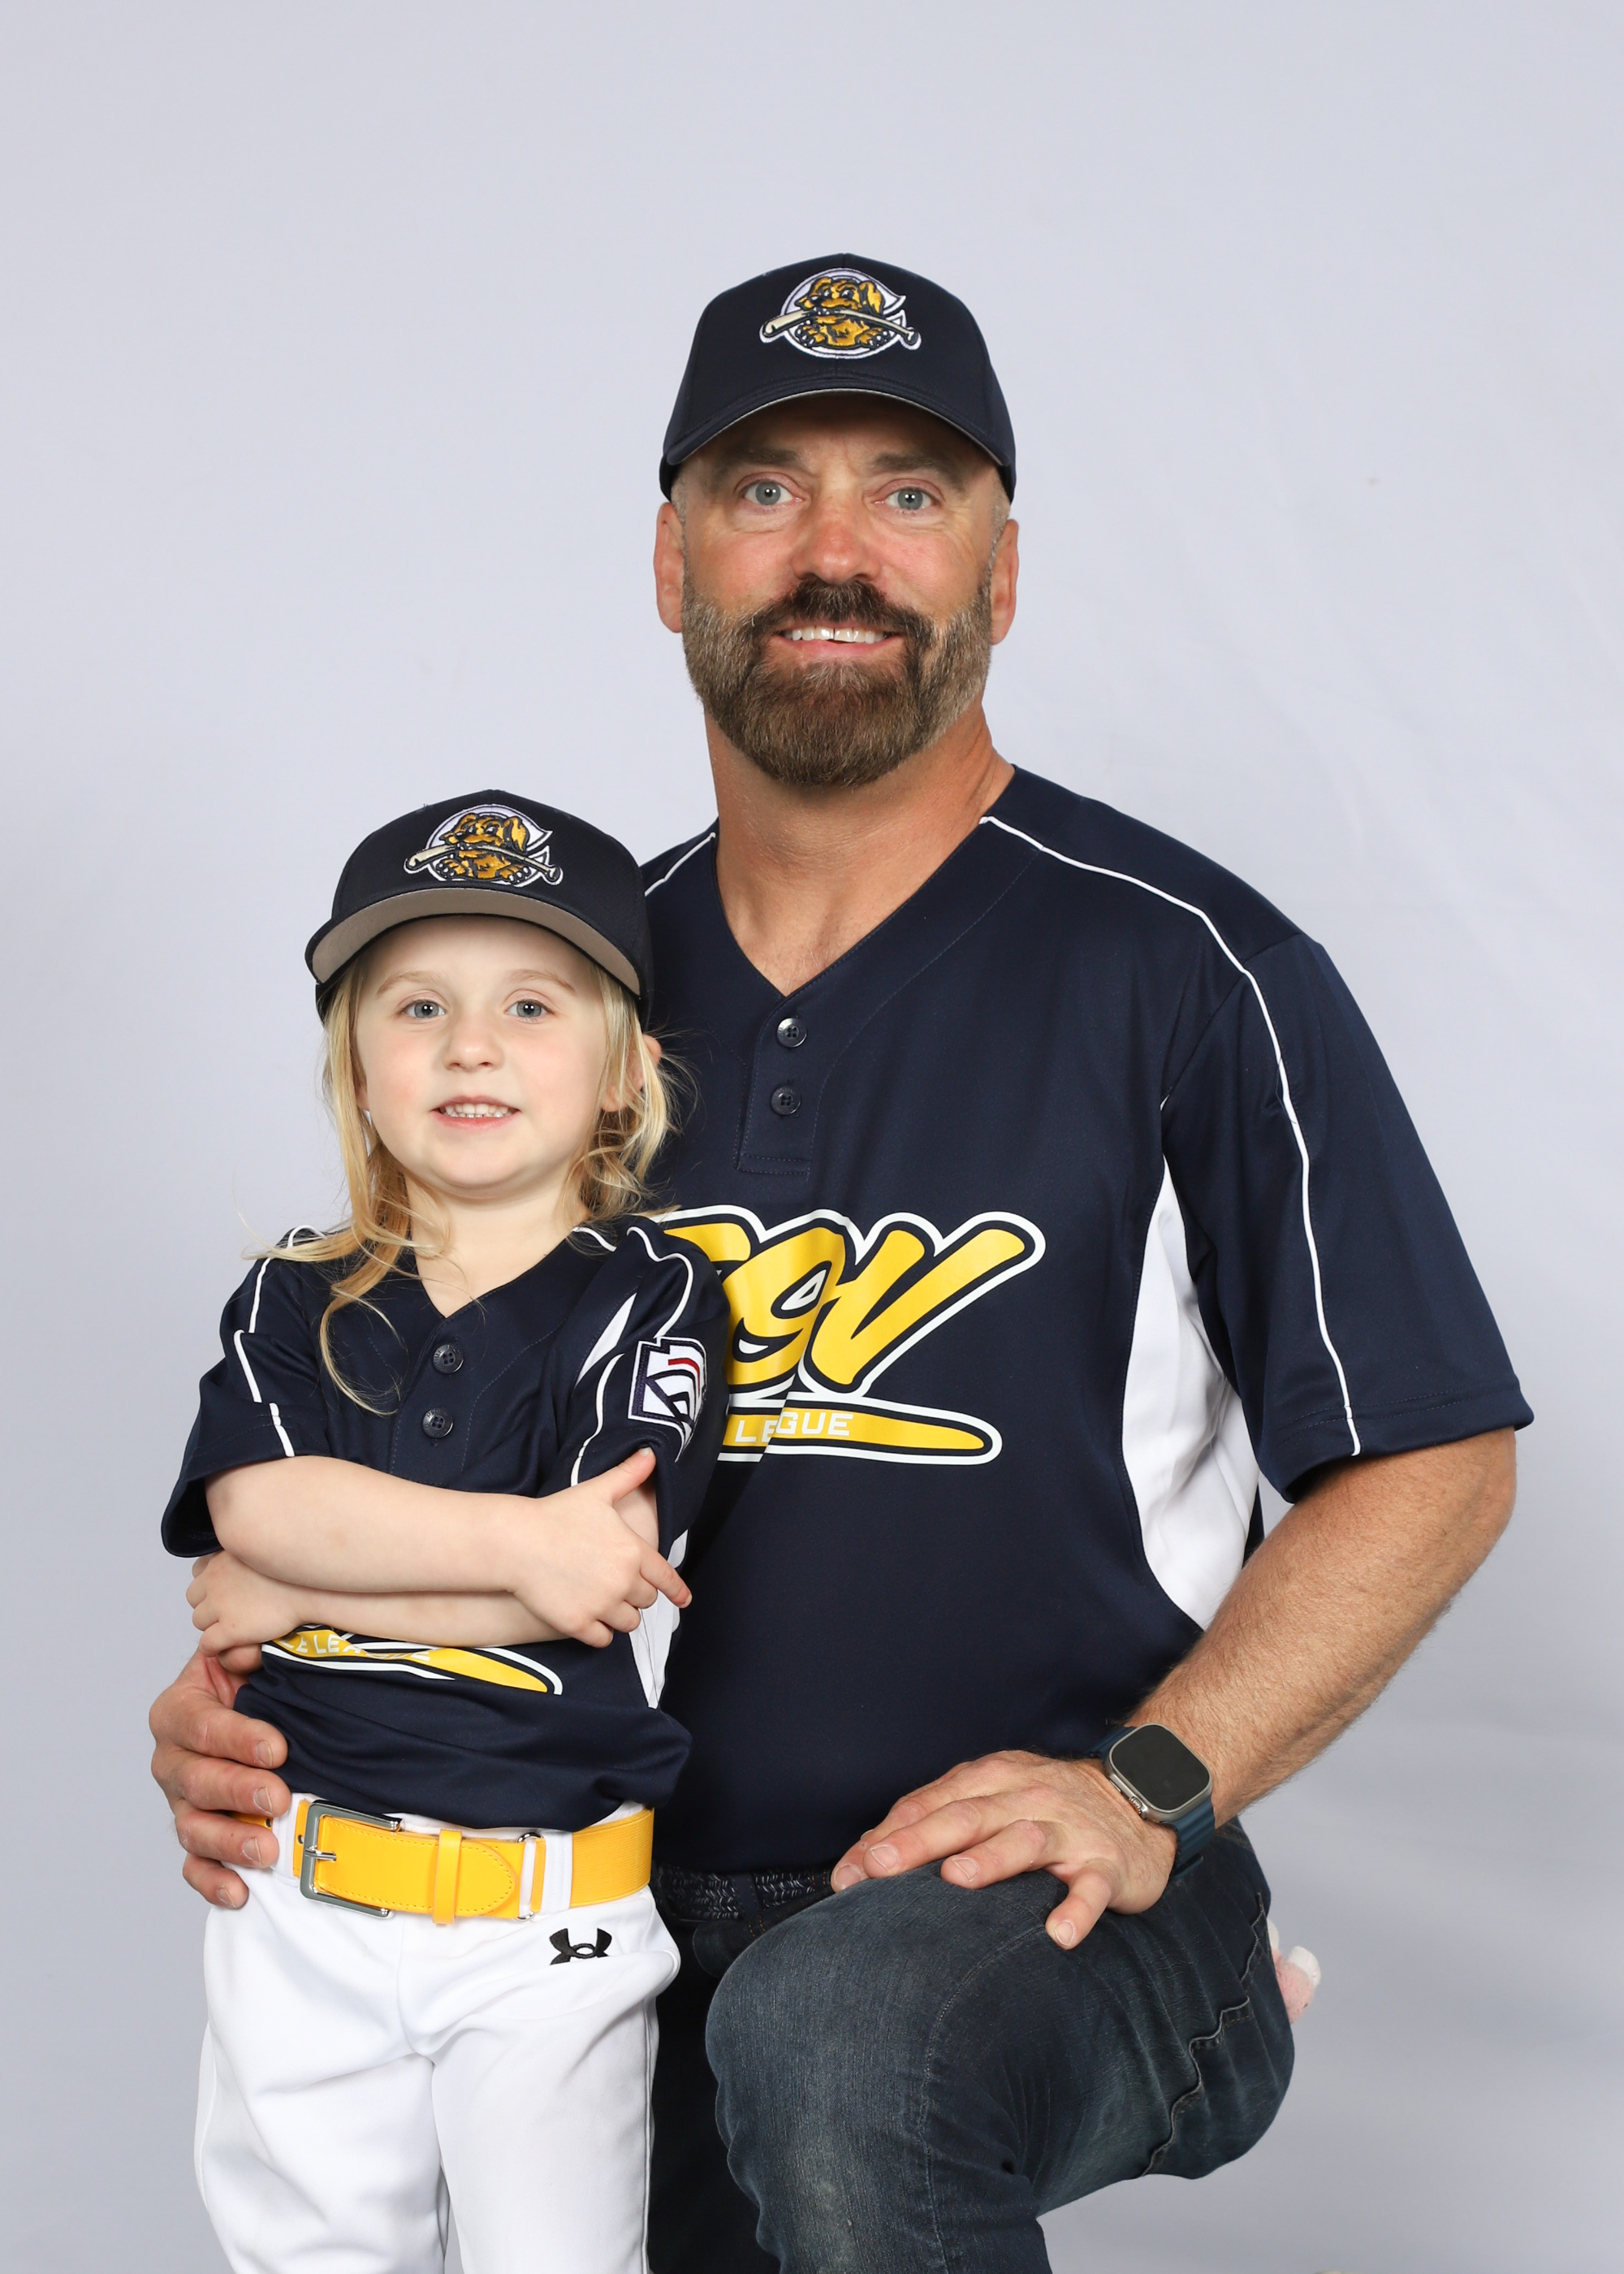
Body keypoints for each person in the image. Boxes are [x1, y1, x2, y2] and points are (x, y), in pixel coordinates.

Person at [153, 257, 1531, 2273]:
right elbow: (391, 1435)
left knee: (841, 2037)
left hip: (1069, 1898)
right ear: (670, 560)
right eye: (761, 487)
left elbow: (1435, 1453)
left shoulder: (1181, 967)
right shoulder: (550, 1000)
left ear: (999, 569)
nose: (832, 551)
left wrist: (1153, 1781)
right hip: (600, 1890)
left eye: (906, 492)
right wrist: (262, 1689)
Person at [160, 793, 728, 2273]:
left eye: (531, 1005)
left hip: (549, 1919)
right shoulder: (294, 1295)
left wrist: (299, 1595)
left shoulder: (654, 1295)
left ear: (624, 1073)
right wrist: (508, 1547)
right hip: (300, 1898)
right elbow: (260, 1508)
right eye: (418, 1007)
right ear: (358, 1072)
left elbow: (595, 1576)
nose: (472, 1045)